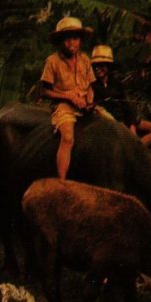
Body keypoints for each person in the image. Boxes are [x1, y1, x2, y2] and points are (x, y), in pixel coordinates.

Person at [40, 16, 96, 180]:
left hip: (85, 104)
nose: (72, 43)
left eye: (75, 38)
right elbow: (44, 91)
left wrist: (90, 101)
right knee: (68, 138)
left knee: (111, 123)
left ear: (80, 40)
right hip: (64, 106)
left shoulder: (85, 59)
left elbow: (91, 85)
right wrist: (69, 97)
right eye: (67, 39)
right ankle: (61, 181)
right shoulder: (52, 61)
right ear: (60, 41)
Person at [91, 44, 151, 147]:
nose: (98, 69)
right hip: (114, 123)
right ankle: (135, 148)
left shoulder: (116, 83)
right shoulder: (92, 86)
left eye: (101, 65)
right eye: (95, 66)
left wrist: (132, 126)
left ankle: (139, 147)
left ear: (108, 66)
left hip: (127, 120)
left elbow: (126, 105)